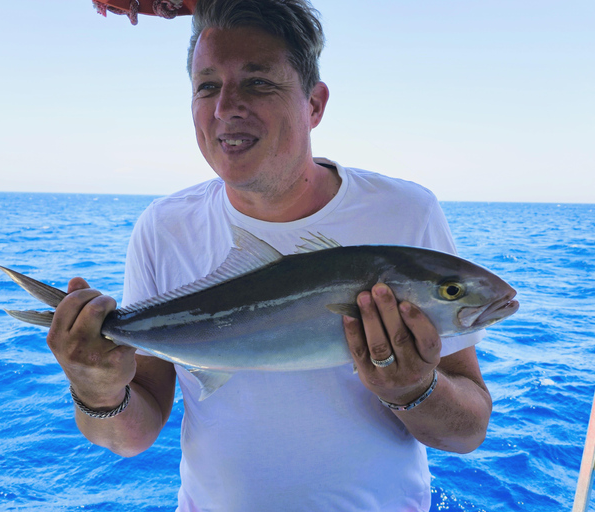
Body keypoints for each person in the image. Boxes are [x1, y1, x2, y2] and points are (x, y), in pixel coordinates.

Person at [46, 0, 492, 510]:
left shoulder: (405, 214)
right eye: (207, 86)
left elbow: (467, 432)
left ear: (315, 104)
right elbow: (129, 437)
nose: (225, 108)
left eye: (258, 82)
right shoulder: (165, 227)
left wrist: (415, 388)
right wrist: (97, 390)